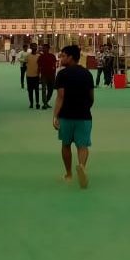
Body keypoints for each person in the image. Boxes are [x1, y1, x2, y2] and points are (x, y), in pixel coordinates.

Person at [53, 45, 95, 188]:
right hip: (84, 116)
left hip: (66, 116)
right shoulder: (87, 74)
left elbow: (60, 96)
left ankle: (69, 173)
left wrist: (55, 116)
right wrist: (85, 107)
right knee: (82, 145)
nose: (61, 58)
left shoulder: (62, 74)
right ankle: (82, 166)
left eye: (63, 56)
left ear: (71, 57)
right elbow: (91, 97)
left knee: (66, 144)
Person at [38, 43, 57, 109]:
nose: (43, 49)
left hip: (51, 75)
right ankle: (45, 104)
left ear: (48, 49)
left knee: (50, 90)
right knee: (43, 90)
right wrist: (38, 75)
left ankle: (46, 101)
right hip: (44, 75)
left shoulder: (52, 56)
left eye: (45, 48)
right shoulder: (40, 57)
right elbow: (39, 67)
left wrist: (54, 74)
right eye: (43, 48)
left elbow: (54, 66)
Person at [25, 44, 41, 109]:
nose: (34, 48)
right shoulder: (27, 56)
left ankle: (37, 103)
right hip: (29, 76)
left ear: (37, 48)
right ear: (30, 47)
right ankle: (31, 103)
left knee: (37, 91)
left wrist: (39, 73)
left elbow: (40, 66)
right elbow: (25, 64)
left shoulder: (39, 56)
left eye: (35, 47)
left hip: (36, 76)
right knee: (30, 91)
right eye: (33, 46)